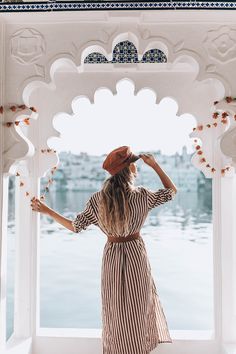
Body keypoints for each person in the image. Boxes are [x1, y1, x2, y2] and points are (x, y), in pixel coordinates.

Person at [31, 145, 178, 354]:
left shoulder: (97, 200)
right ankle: (139, 349)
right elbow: (172, 191)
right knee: (138, 305)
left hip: (112, 256)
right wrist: (155, 165)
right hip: (136, 254)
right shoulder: (142, 196)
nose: (137, 167)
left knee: (115, 308)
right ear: (128, 170)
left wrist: (47, 211)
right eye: (134, 164)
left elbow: (75, 226)